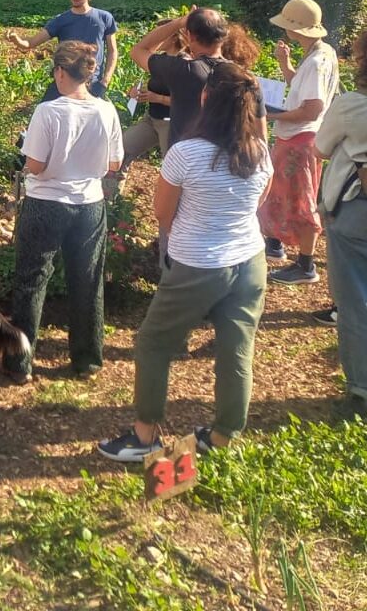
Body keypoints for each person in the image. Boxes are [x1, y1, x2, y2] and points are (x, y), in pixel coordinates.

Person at [99, 65, 274, 461]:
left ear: (206, 99)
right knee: (236, 350)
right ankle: (224, 436)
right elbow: (259, 203)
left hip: (198, 263)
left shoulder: (186, 153)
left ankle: (144, 437)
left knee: (153, 343)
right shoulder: (261, 151)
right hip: (250, 262)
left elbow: (163, 212)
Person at [5, 41, 123, 382]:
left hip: (46, 204)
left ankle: (20, 364)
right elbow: (114, 163)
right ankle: (87, 360)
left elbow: (37, 165)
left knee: (31, 280)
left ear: (59, 71)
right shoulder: (106, 110)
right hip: (89, 205)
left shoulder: (49, 111)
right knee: (87, 282)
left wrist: (26, 159)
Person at [260, 0, 342, 285]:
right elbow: (304, 89)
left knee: (303, 200)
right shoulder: (322, 52)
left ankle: (306, 265)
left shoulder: (317, 62)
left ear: (296, 29)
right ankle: (278, 246)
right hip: (300, 136)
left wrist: (270, 116)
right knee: (283, 194)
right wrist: (285, 64)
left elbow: (313, 107)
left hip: (300, 139)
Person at [314, 28, 367, 420]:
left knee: (355, 301)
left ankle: (361, 389)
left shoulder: (353, 105)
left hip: (355, 211)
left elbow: (320, 147)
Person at [131, 7, 250, 148]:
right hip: (226, 158)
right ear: (224, 36)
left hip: (187, 157)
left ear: (190, 36)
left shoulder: (184, 70)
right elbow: (258, 130)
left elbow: (139, 50)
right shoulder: (244, 77)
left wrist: (179, 22)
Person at [105, 21, 186, 199]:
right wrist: (138, 93)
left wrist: (158, 98)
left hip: (171, 124)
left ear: (173, 37)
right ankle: (112, 200)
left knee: (173, 170)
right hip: (151, 120)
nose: (155, 36)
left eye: (159, 33)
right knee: (122, 150)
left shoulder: (185, 64)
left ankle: (173, 213)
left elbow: (189, 101)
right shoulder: (158, 60)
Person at [7, 0, 117, 102]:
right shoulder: (61, 21)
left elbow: (112, 51)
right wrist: (16, 39)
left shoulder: (104, 18)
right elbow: (30, 43)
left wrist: (105, 81)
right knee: (45, 112)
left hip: (92, 83)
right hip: (64, 82)